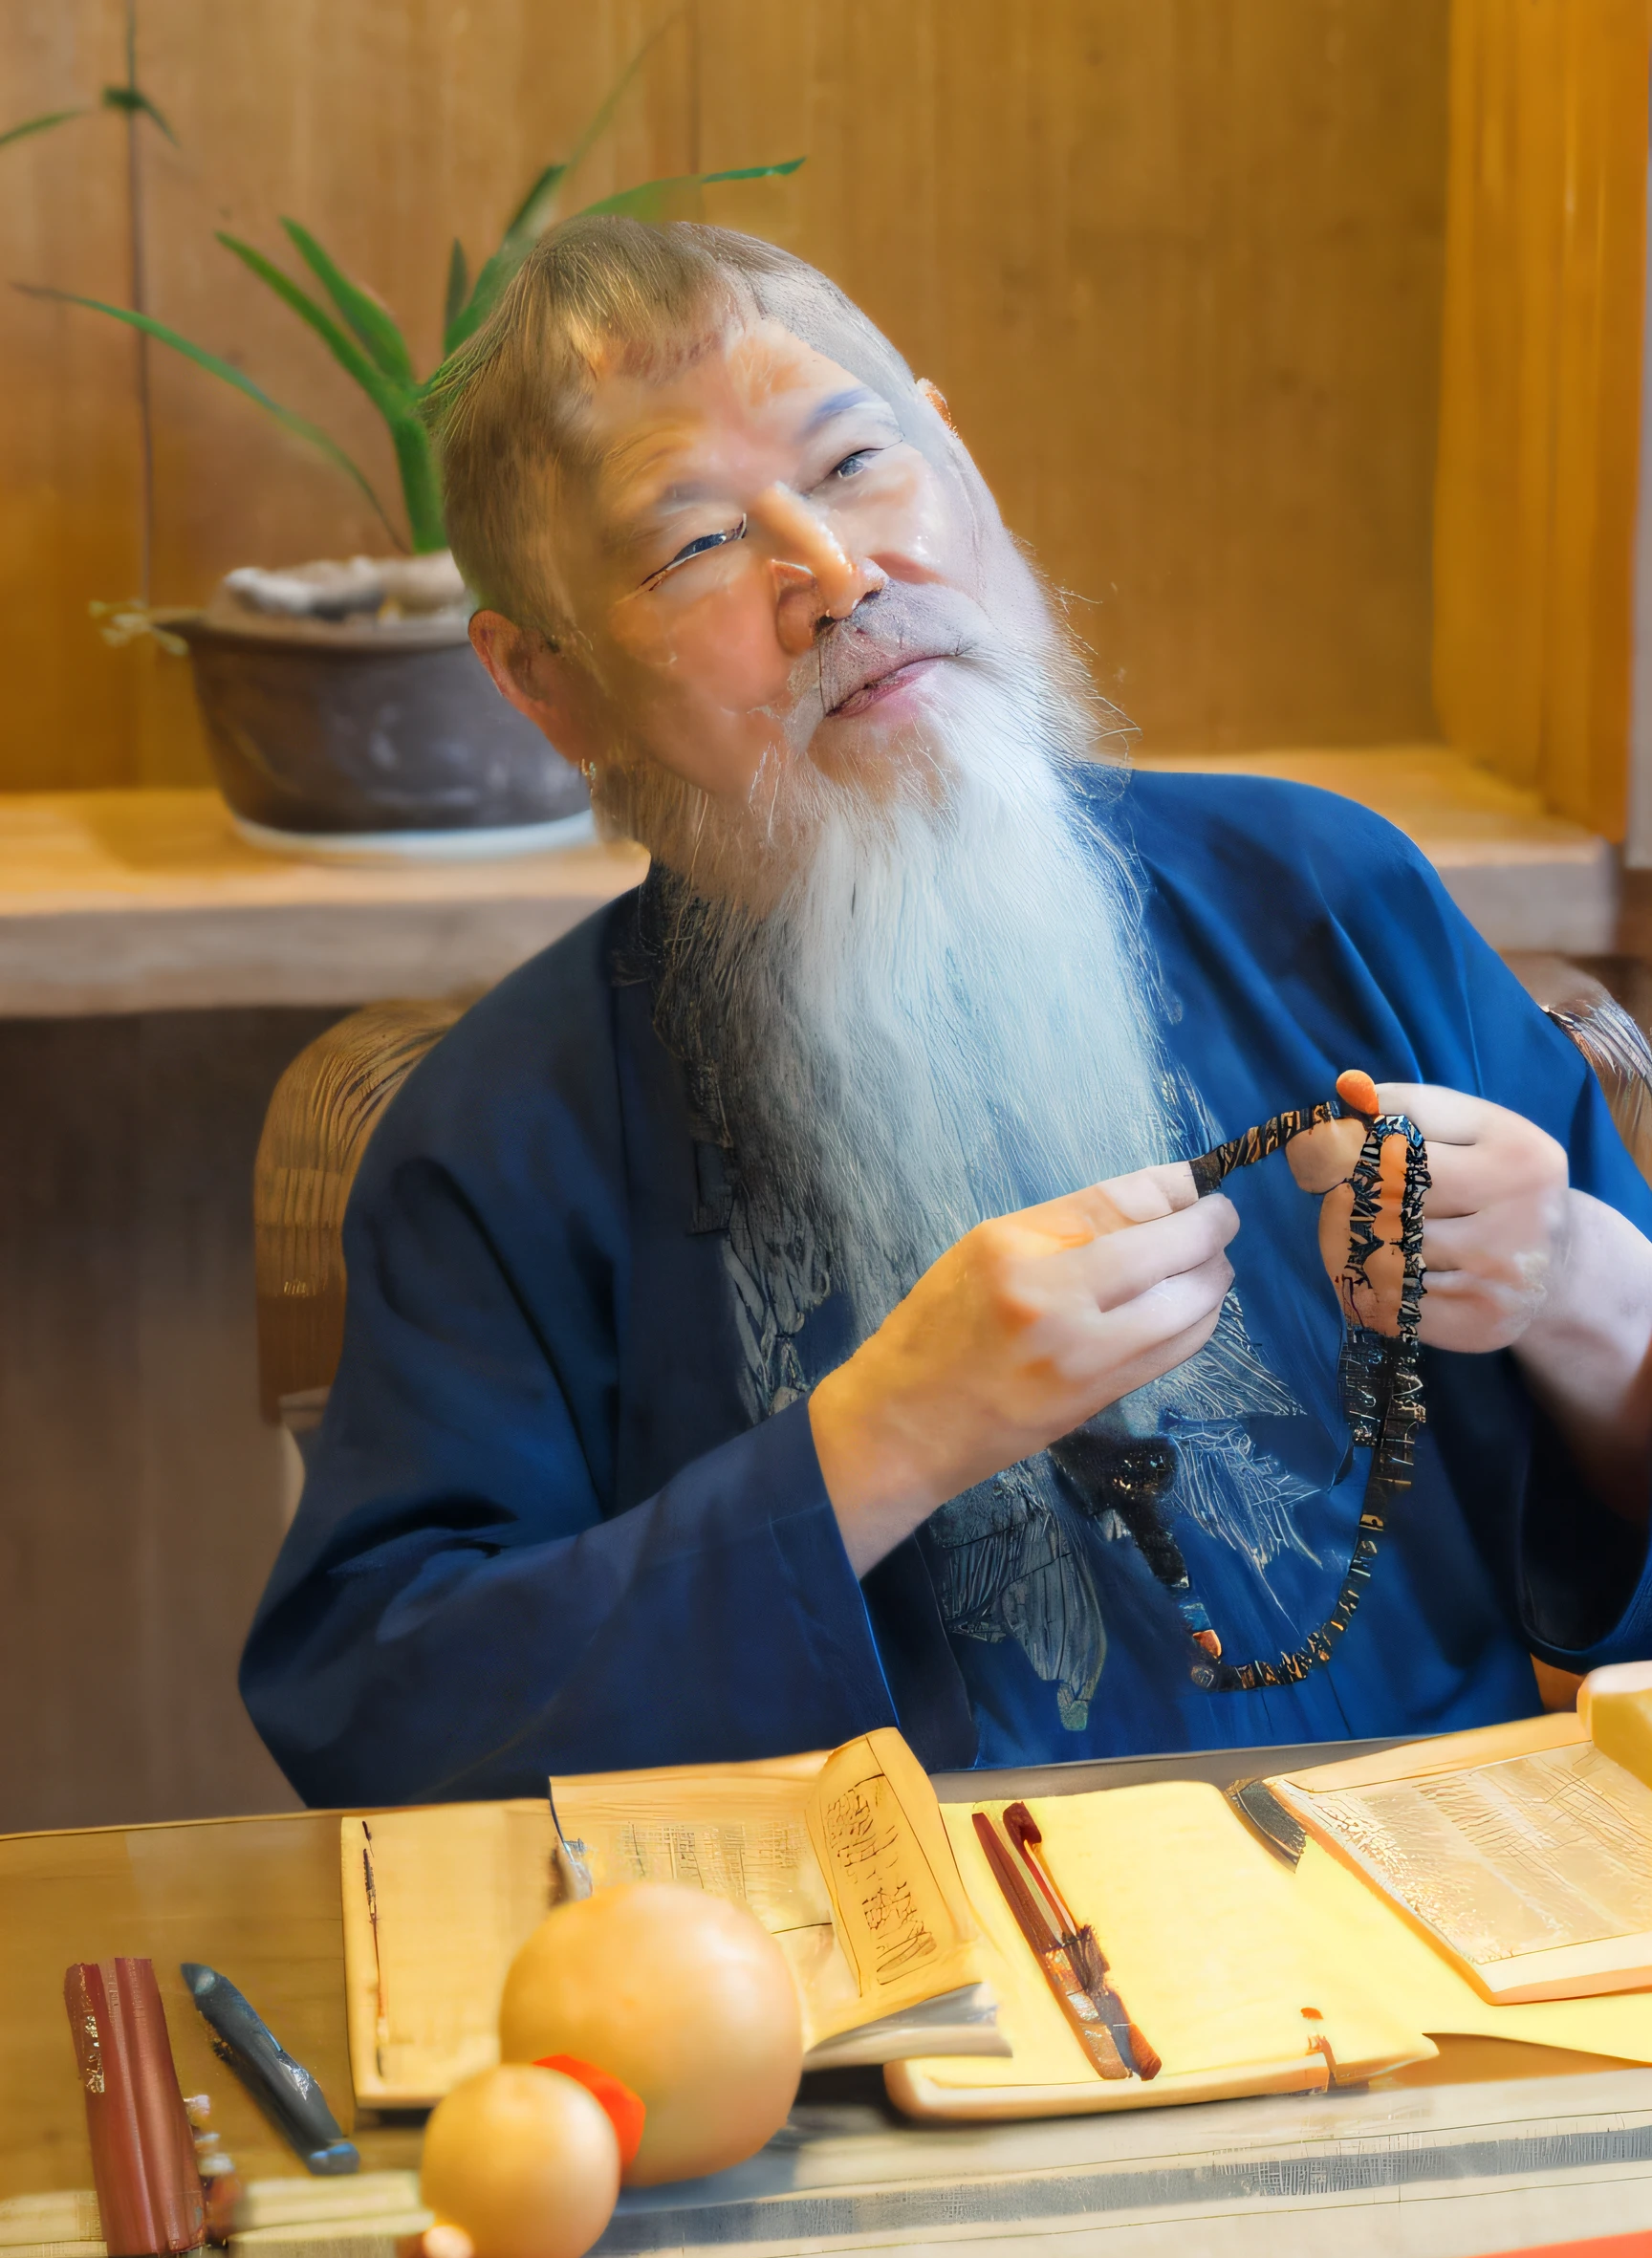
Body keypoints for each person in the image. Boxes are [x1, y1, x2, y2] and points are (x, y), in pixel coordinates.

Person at [241, 218, 1652, 1806]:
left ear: (960, 462)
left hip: (1442, 1940)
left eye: (858, 465)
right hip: (890, 2004)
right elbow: (383, 1708)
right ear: (545, 684)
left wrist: (1590, 1290)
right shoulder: (509, 1130)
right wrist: (880, 1442)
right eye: (698, 544)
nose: (836, 575)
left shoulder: (1324, 893)